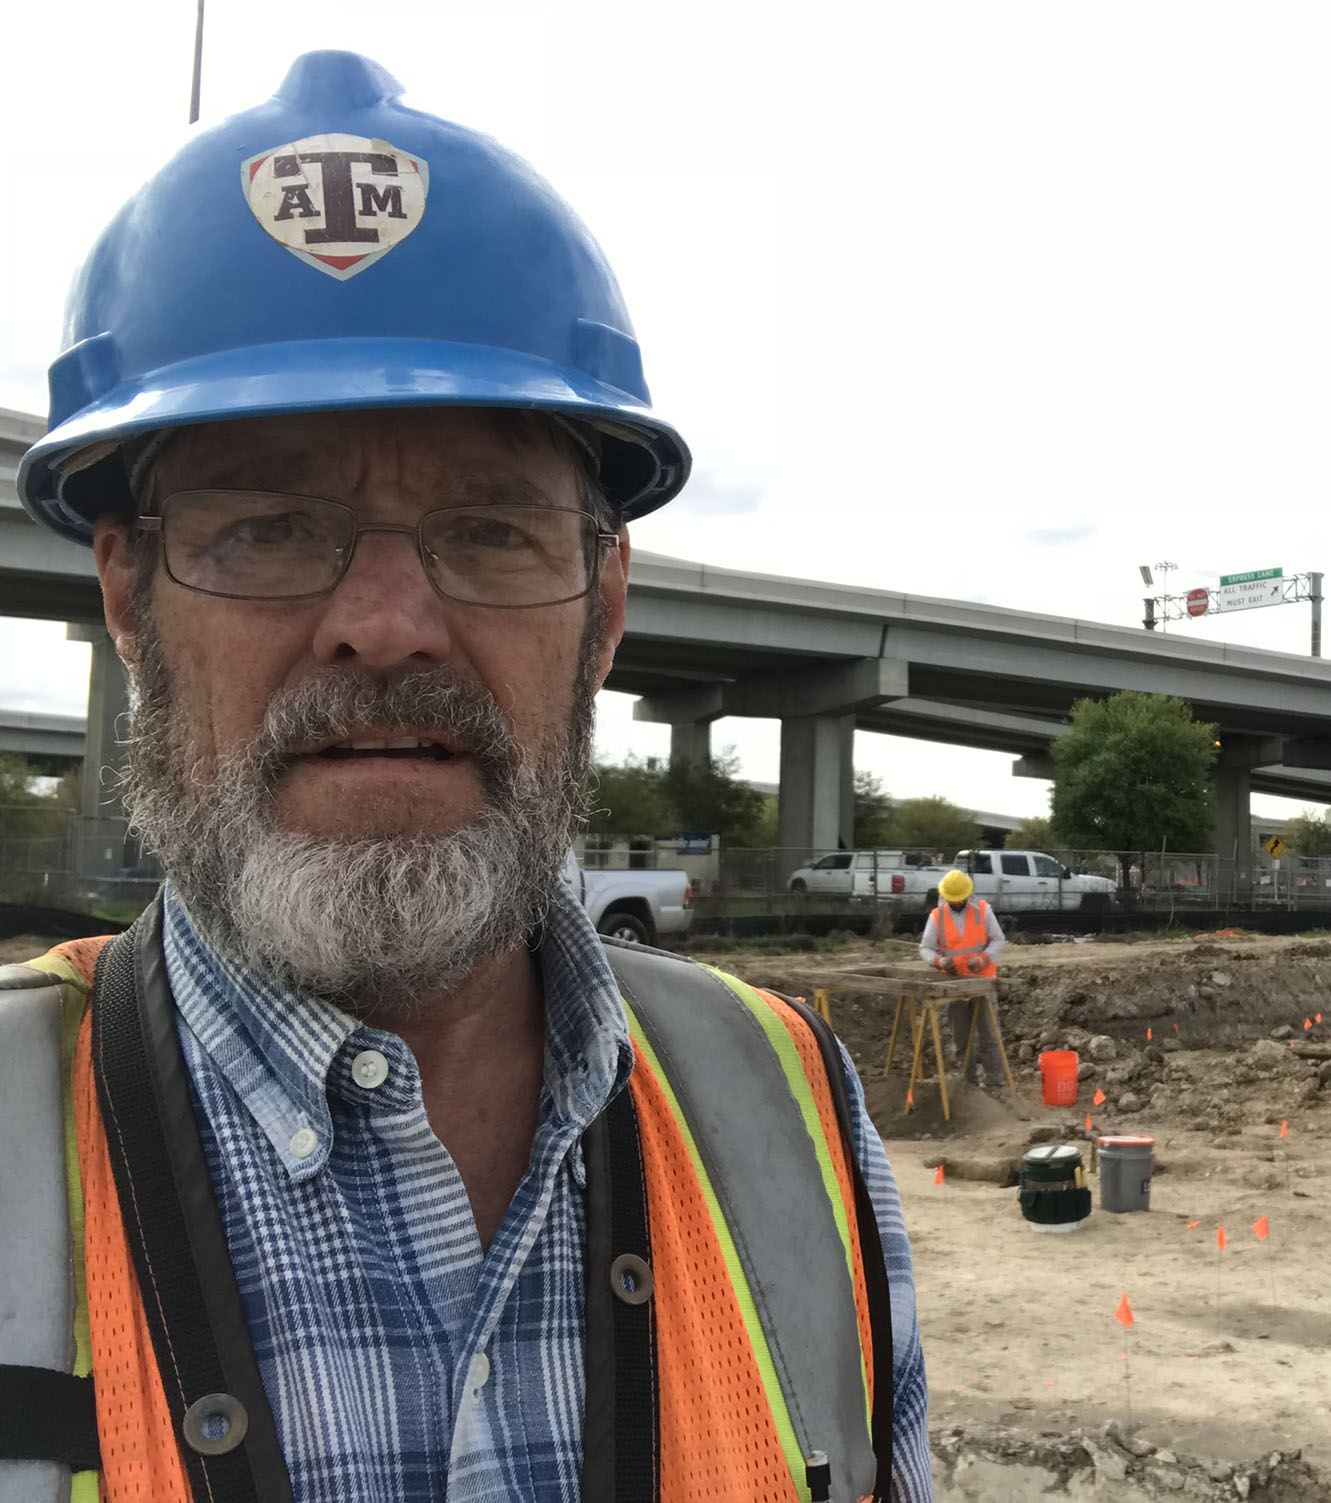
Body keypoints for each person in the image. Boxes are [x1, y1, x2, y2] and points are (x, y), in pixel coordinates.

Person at [0, 51, 928, 1503]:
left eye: (491, 528)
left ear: (604, 605)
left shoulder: (790, 1108)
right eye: (269, 527)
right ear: (127, 595)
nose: (388, 620)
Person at [918, 869, 1007, 1083]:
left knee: (989, 1035)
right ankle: (969, 1083)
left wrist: (984, 959)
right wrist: (939, 961)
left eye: (961, 899)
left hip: (982, 982)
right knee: (961, 1037)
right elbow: (926, 948)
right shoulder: (937, 916)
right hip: (954, 984)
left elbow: (998, 939)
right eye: (953, 900)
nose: (958, 903)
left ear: (968, 894)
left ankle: (996, 1081)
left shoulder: (983, 911)